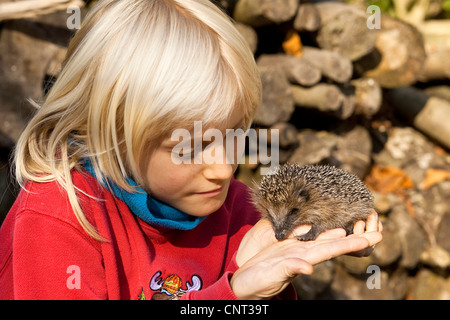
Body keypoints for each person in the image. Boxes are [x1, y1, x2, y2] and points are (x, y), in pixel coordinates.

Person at [0, 0, 382, 300]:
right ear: (109, 134)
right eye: (190, 148)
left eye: (234, 136)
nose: (222, 169)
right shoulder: (57, 220)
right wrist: (233, 293)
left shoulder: (235, 208)